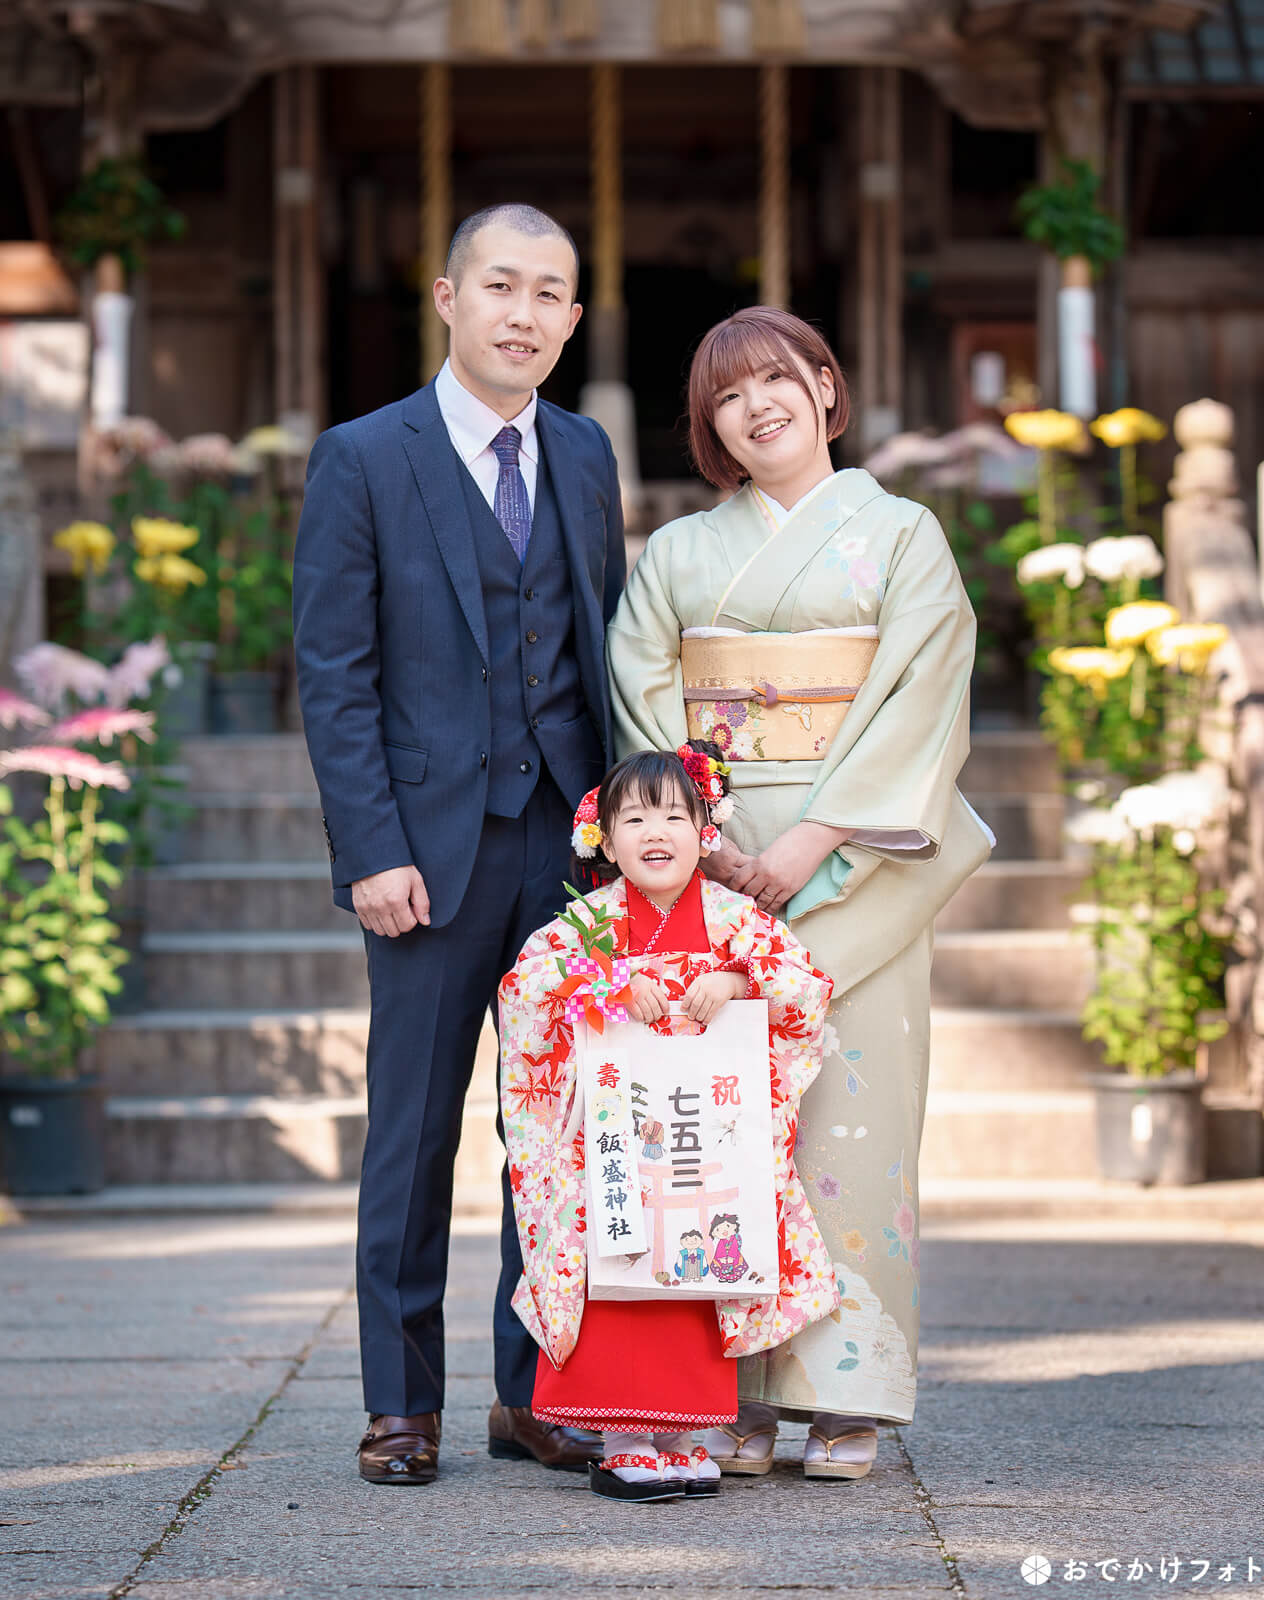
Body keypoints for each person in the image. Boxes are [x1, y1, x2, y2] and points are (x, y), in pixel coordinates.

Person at [606, 306, 994, 1482]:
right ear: (708, 427)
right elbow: (641, 693)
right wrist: (703, 841)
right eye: (726, 395)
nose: (755, 405)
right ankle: (729, 1387)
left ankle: (847, 1390)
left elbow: (921, 694)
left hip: (859, 856)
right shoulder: (676, 554)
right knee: (721, 1131)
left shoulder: (903, 536)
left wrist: (807, 844)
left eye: (778, 378)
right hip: (715, 860)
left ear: (826, 389)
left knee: (852, 1128)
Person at [293, 203, 625, 1485]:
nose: (523, 312)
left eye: (550, 293)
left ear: (574, 320)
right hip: (426, 853)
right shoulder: (363, 458)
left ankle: (530, 1387)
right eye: (501, 285)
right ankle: (400, 1401)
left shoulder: (588, 453)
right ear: (447, 297)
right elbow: (332, 672)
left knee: (550, 1128)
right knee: (414, 1129)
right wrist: (370, 848)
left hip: (568, 846)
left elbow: (597, 639)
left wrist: (625, 836)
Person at [496, 744, 839, 1501]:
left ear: (705, 832)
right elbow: (526, 990)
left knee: (693, 1272)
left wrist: (739, 977)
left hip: (697, 1146)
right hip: (615, 1149)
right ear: (605, 839)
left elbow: (804, 986)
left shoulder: (730, 919)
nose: (658, 831)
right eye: (636, 817)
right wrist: (607, 985)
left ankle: (683, 1433)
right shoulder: (587, 925)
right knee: (620, 1271)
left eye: (677, 815)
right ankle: (622, 1437)